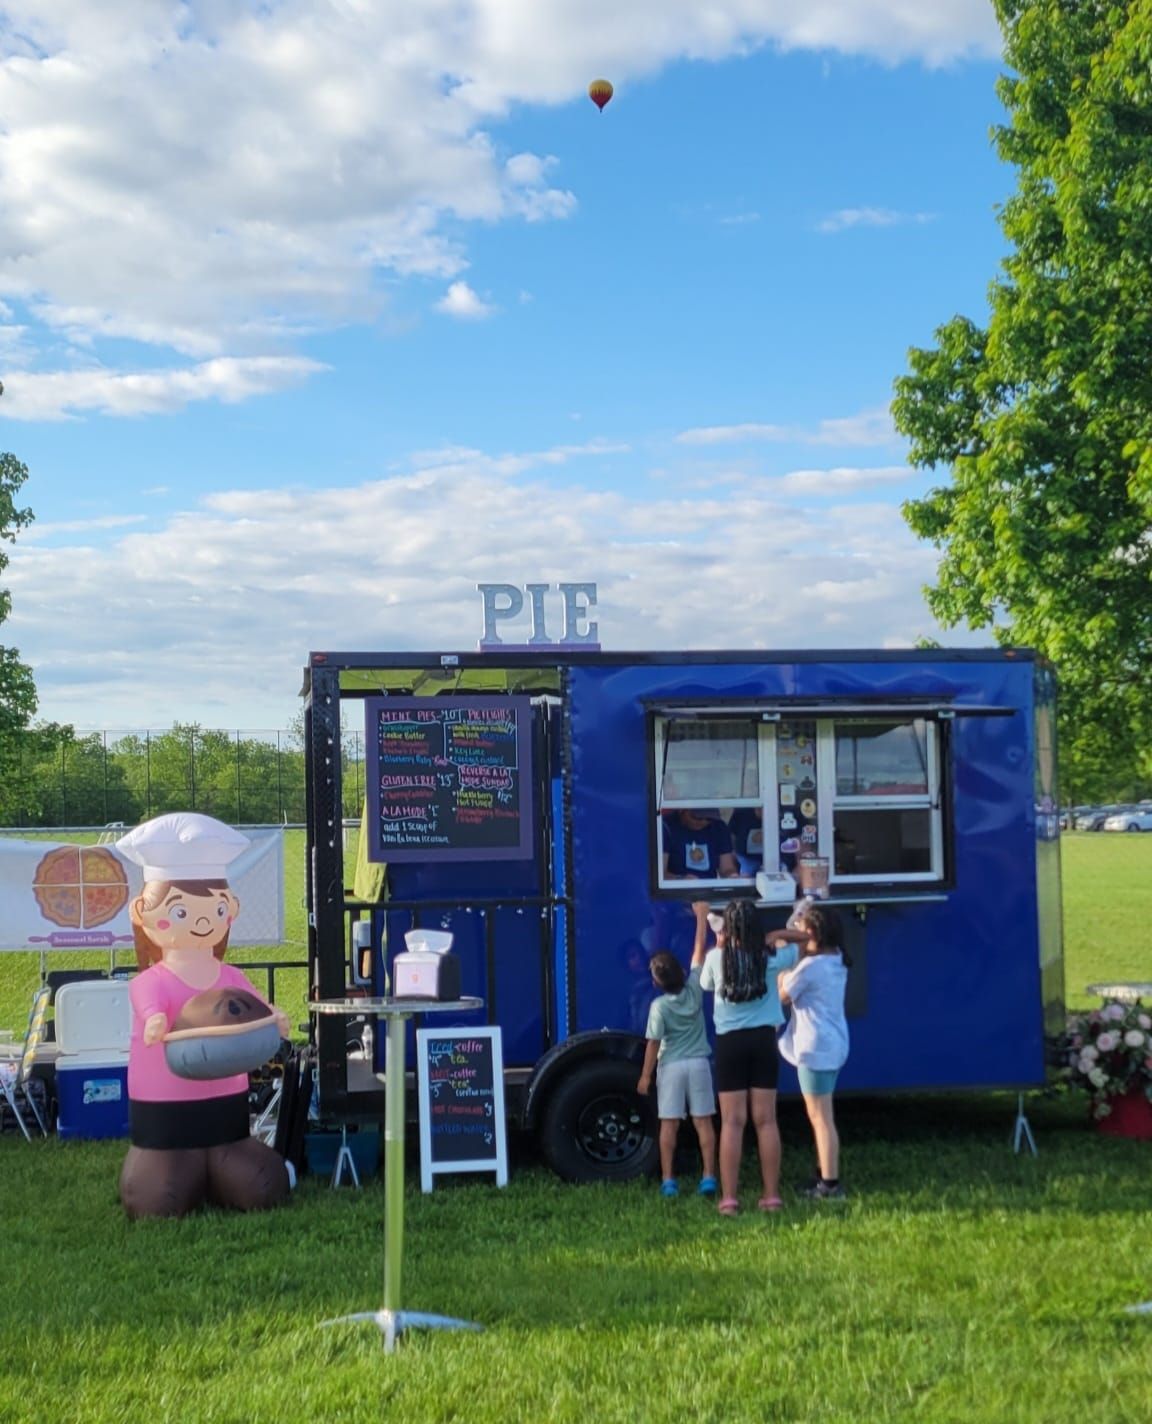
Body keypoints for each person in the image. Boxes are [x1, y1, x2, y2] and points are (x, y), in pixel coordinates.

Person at [116, 813, 293, 1219]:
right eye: (181, 912)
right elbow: (149, 1007)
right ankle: (170, 1168)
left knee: (260, 1185)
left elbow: (257, 1007)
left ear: (229, 910)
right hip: (165, 1110)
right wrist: (156, 1022)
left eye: (214, 911)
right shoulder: (152, 980)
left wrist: (274, 1016)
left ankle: (228, 1161)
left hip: (225, 1112)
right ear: (143, 913)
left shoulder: (230, 976)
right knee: (159, 1197)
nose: (200, 921)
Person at [698, 898, 802, 1215]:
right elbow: (804, 941)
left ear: (727, 930)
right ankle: (771, 1196)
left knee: (732, 1122)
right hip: (763, 1041)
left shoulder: (717, 959)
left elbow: (704, 983)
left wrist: (719, 941)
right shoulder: (770, 956)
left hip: (730, 1044)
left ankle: (729, 1199)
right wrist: (774, 935)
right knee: (766, 1120)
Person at [636, 906, 717, 1198]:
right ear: (682, 972)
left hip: (670, 1067)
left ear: (656, 983)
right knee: (703, 1122)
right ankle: (708, 1176)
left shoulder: (658, 1007)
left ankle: (668, 1180)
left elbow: (653, 1043)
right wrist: (700, 916)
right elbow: (699, 950)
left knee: (669, 1125)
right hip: (698, 1063)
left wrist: (646, 1076)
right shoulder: (695, 987)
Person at [778, 902, 850, 1201]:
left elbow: (783, 994)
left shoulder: (810, 968)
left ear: (815, 935)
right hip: (833, 1045)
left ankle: (830, 1185)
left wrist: (782, 972)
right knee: (823, 1115)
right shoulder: (838, 959)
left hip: (814, 1050)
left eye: (804, 932)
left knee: (820, 1118)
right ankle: (823, 1173)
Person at [662, 808, 740, 880]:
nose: (703, 822)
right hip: (675, 891)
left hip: (709, 889)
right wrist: (681, 879)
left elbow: (726, 868)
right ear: (682, 811)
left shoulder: (719, 827)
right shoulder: (666, 826)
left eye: (709, 819)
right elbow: (660, 874)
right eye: (697, 817)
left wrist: (732, 876)